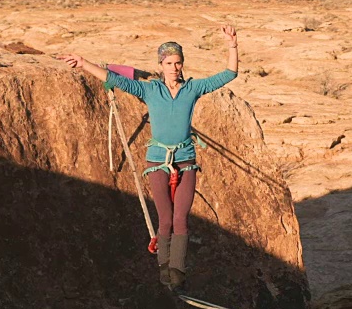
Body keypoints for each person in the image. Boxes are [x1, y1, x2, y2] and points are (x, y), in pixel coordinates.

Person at [58, 25, 238, 292]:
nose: (174, 67)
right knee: (165, 219)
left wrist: (232, 45)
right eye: (169, 63)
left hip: (186, 160)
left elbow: (229, 74)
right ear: (161, 64)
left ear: (182, 64)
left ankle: (177, 271)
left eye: (178, 63)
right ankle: (164, 270)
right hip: (157, 161)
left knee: (180, 219)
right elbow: (115, 79)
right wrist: (84, 64)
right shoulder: (150, 90)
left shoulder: (193, 88)